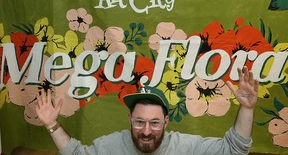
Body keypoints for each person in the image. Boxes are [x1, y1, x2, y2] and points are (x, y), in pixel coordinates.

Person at [35, 66, 259, 155]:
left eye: (154, 122)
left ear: (166, 122)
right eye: (139, 121)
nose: (146, 131)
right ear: (130, 119)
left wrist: (247, 108)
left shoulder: (186, 147)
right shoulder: (112, 146)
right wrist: (52, 125)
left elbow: (234, 151)